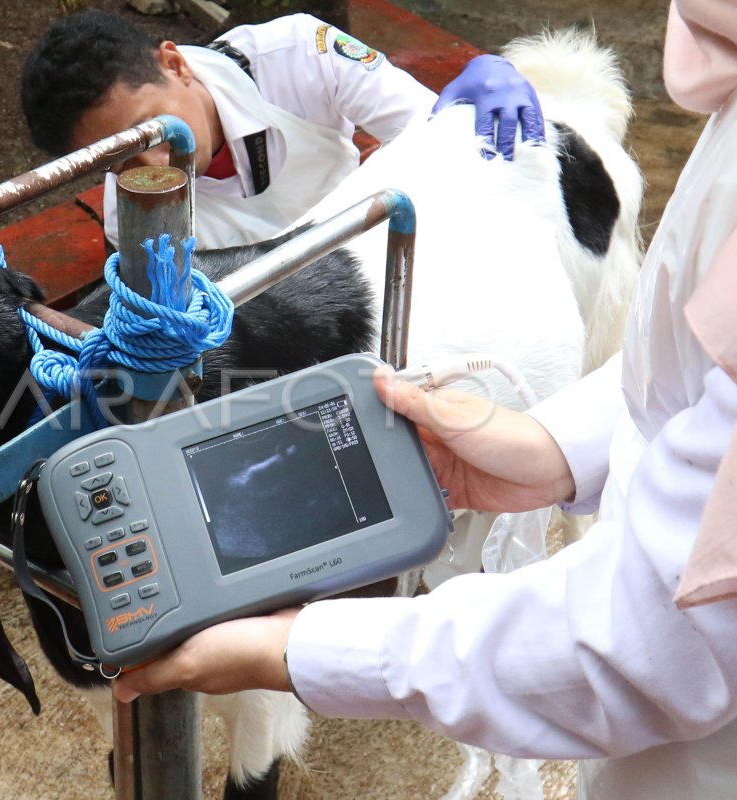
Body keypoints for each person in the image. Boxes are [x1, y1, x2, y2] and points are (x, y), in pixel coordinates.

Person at [111, 2, 737, 797]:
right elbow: (693, 372)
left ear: (172, 64)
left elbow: (649, 644)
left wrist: (300, 649)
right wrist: (555, 449)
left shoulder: (297, 50)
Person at [20, 10, 543, 249]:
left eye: (148, 132)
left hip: (400, 240)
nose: (152, 169)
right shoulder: (130, 218)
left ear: (175, 64)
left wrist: (477, 86)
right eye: (118, 162)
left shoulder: (298, 54)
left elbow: (438, 140)